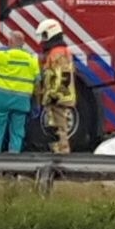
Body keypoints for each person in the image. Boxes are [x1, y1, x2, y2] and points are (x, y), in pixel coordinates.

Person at [0, 29, 39, 153]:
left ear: (10, 41)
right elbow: (37, 81)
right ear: (23, 43)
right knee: (17, 132)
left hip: (2, 100)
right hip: (22, 102)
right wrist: (36, 102)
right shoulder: (31, 59)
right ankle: (14, 160)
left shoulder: (3, 55)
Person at [37, 19, 77, 153]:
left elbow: (61, 77)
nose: (42, 40)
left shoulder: (58, 53)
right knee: (55, 127)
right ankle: (58, 151)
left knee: (60, 128)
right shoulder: (58, 51)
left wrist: (54, 95)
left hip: (58, 97)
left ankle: (62, 153)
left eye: (44, 35)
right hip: (58, 96)